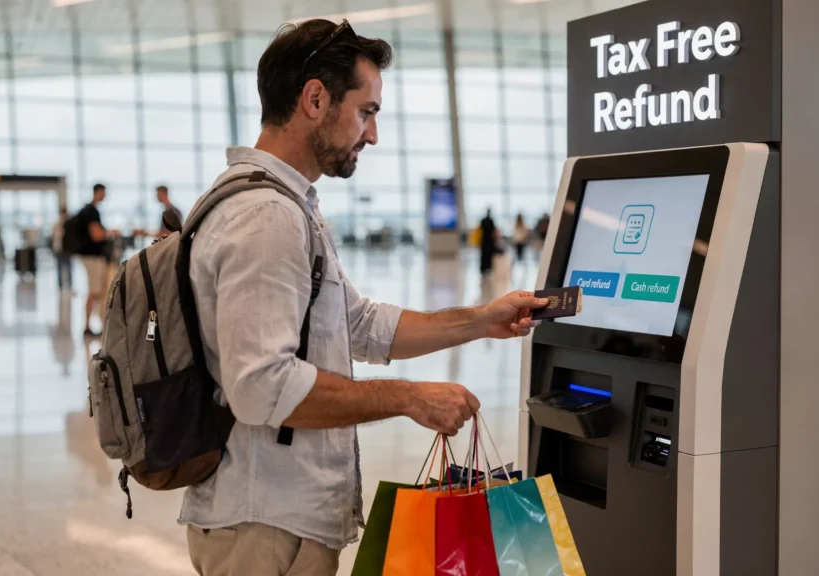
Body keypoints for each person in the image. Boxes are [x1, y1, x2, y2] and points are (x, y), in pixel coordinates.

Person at [181, 19, 548, 576]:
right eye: (367, 111)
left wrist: (480, 319)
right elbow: (260, 387)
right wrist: (407, 398)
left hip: (275, 522)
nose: (372, 134)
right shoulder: (266, 217)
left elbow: (360, 325)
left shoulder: (286, 205)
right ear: (314, 99)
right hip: (264, 528)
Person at [74, 183, 113, 337]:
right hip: (93, 257)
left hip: (90, 256)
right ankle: (89, 325)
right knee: (95, 291)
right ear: (98, 192)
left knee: (95, 291)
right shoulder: (91, 212)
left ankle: (90, 325)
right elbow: (97, 235)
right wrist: (110, 232)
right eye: (104, 193)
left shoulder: (87, 211)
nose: (105, 196)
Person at [479, 209, 498, 275]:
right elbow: (494, 231)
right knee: (489, 255)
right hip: (490, 241)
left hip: (484, 240)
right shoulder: (491, 221)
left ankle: (483, 269)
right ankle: (489, 268)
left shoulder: (483, 220)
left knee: (484, 255)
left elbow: (480, 230)